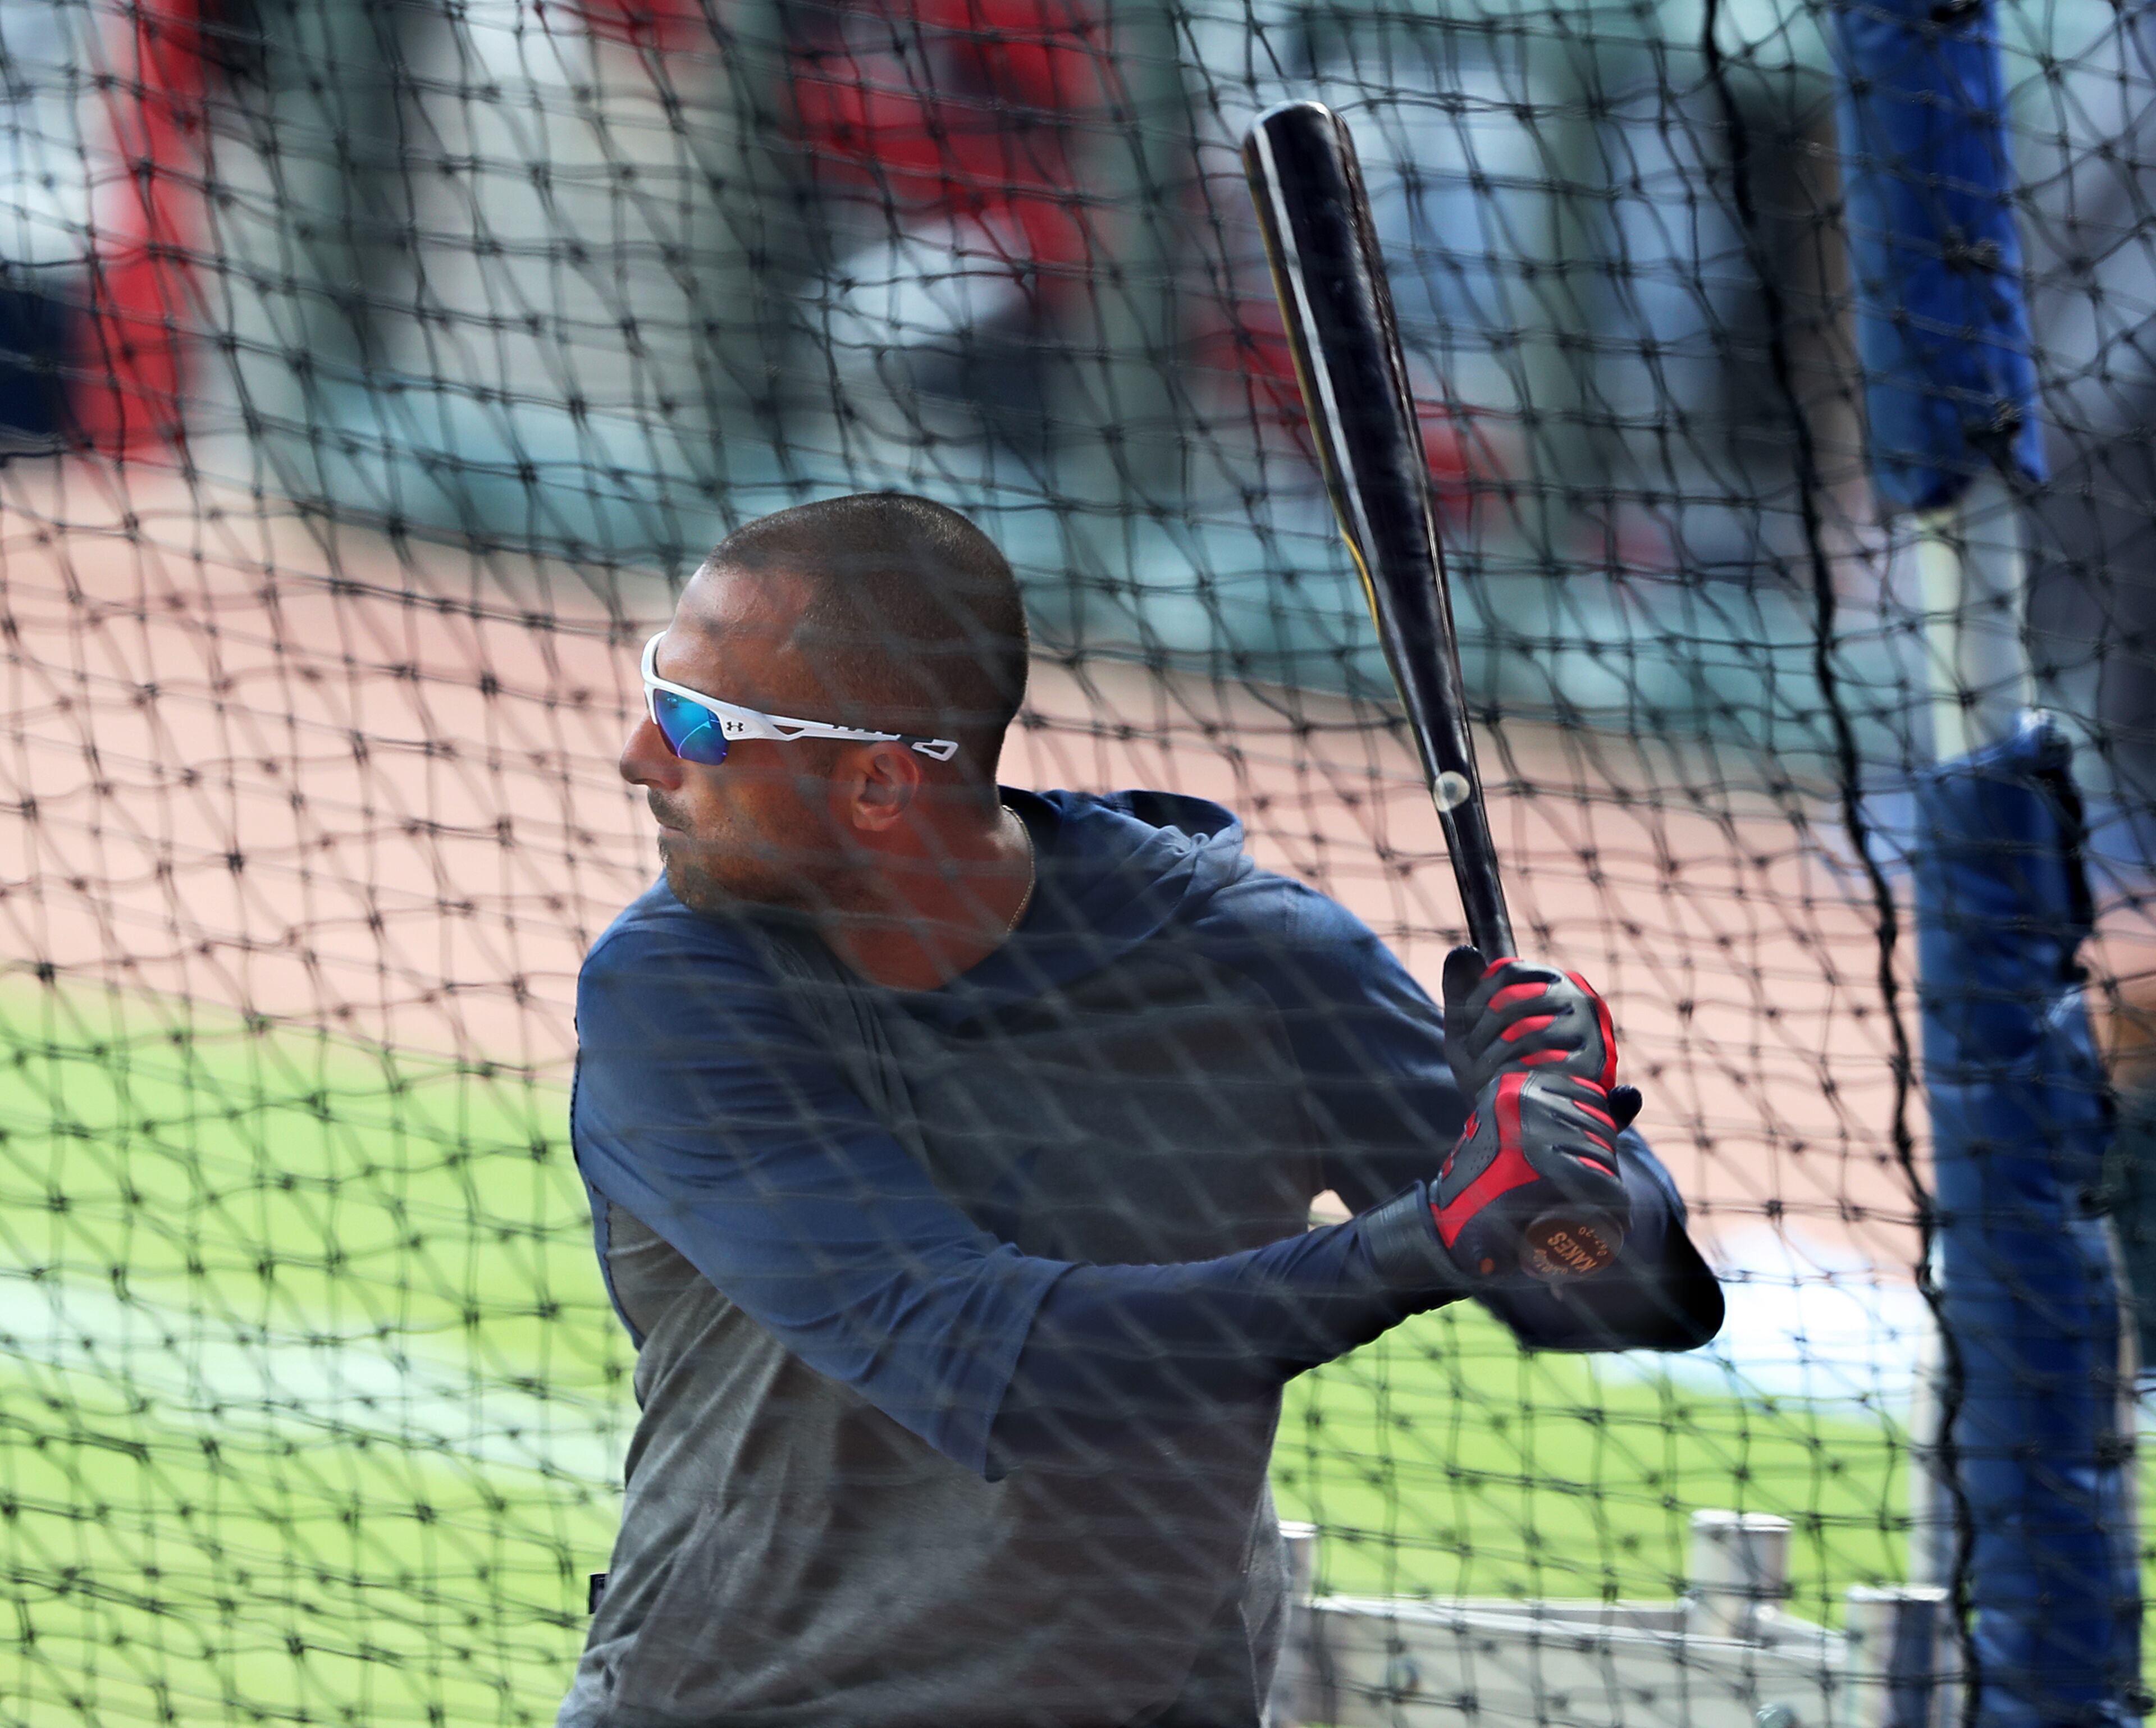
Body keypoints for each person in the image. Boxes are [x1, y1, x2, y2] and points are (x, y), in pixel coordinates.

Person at [559, 492, 1723, 1728]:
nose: (642, 754)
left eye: (694, 721)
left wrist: (1574, 1144)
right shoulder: (682, 991)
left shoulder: (1256, 962)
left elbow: (1610, 1293)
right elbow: (979, 1363)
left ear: (879, 785)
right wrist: (1425, 1242)